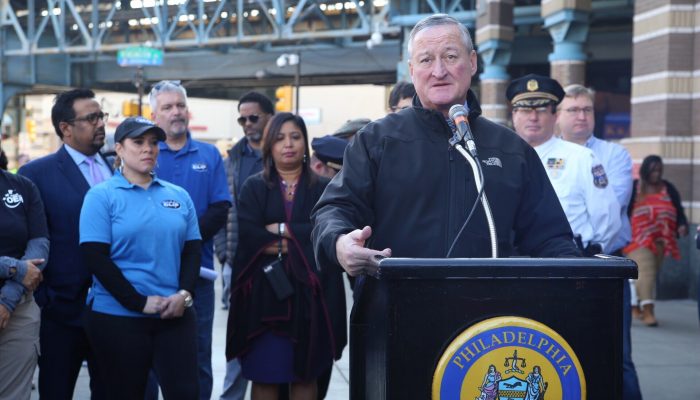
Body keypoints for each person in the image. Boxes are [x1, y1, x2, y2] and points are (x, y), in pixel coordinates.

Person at [311, 14, 579, 283]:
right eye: (426, 60)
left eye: (450, 56)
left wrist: (578, 281)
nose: (439, 71)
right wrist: (339, 242)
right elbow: (335, 208)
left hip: (489, 314)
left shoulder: (512, 150)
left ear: (472, 62)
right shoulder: (376, 140)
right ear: (411, 69)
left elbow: (550, 238)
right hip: (394, 309)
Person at [79, 117, 201, 399]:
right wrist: (138, 302)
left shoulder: (178, 196)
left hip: (174, 314)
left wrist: (184, 294)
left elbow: (192, 251)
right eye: (138, 142)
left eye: (154, 143)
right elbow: (94, 257)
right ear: (119, 149)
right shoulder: (101, 196)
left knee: (186, 392)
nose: (148, 149)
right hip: (118, 317)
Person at [226, 112, 344, 400]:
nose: (288, 144)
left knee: (305, 376)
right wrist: (299, 237)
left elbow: (323, 236)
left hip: (311, 296)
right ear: (269, 145)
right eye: (279, 138)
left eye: (295, 136)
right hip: (265, 297)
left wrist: (280, 230)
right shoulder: (254, 187)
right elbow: (251, 238)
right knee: (265, 376)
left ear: (305, 142)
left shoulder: (323, 188)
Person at [18, 88, 111, 399]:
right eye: (91, 118)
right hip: (61, 311)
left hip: (114, 307)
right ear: (66, 128)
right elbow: (30, 238)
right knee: (56, 390)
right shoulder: (36, 174)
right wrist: (45, 298)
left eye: (102, 116)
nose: (100, 123)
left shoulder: (118, 169)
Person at [558, 83, 642, 400]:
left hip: (604, 264)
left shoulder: (613, 155)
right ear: (558, 115)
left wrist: (586, 253)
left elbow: (612, 207)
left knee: (617, 356)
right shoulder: (547, 154)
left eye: (587, 109)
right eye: (573, 110)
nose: (581, 116)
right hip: (559, 266)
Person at [149, 80, 232, 400]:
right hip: (151, 275)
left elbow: (220, 208)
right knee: (150, 360)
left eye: (180, 105)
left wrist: (183, 241)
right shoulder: (147, 153)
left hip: (196, 276)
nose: (176, 112)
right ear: (154, 116)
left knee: (197, 355)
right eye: (167, 107)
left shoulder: (209, 155)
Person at [507, 74, 621, 255]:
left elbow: (608, 219)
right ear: (514, 115)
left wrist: (590, 257)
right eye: (526, 110)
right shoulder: (500, 161)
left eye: (542, 110)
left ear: (555, 116)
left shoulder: (581, 158)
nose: (533, 117)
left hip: (567, 263)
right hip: (514, 266)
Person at [214, 90, 275, 400]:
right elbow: (223, 207)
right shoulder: (234, 157)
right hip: (239, 261)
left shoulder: (284, 154)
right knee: (238, 336)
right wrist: (225, 254)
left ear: (270, 118)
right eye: (242, 119)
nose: (247, 124)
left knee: (276, 338)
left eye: (254, 117)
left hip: (280, 262)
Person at [0, 169, 48, 399]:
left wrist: (7, 300)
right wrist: (14, 268)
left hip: (18, 307)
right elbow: (22, 268)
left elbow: (39, 245)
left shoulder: (23, 186)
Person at [625, 155, 688, 327]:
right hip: (637, 239)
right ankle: (648, 311)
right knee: (646, 272)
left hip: (662, 239)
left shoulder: (668, 188)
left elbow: (679, 210)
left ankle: (634, 304)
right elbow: (624, 210)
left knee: (648, 275)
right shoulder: (635, 187)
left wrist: (681, 225)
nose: (656, 173)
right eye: (653, 169)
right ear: (646, 169)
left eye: (659, 170)